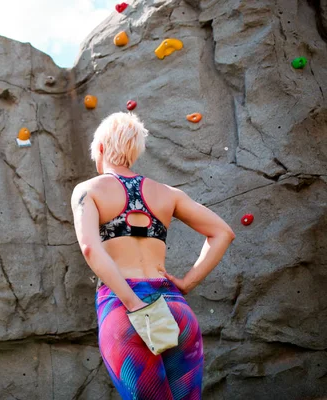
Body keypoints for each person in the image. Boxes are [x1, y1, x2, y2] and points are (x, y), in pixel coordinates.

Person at [70, 112, 235, 399]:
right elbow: (222, 232)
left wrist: (133, 303)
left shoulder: (89, 190)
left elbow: (89, 247)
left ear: (99, 148)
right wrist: (188, 282)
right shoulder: (168, 194)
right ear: (134, 153)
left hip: (125, 309)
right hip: (174, 308)